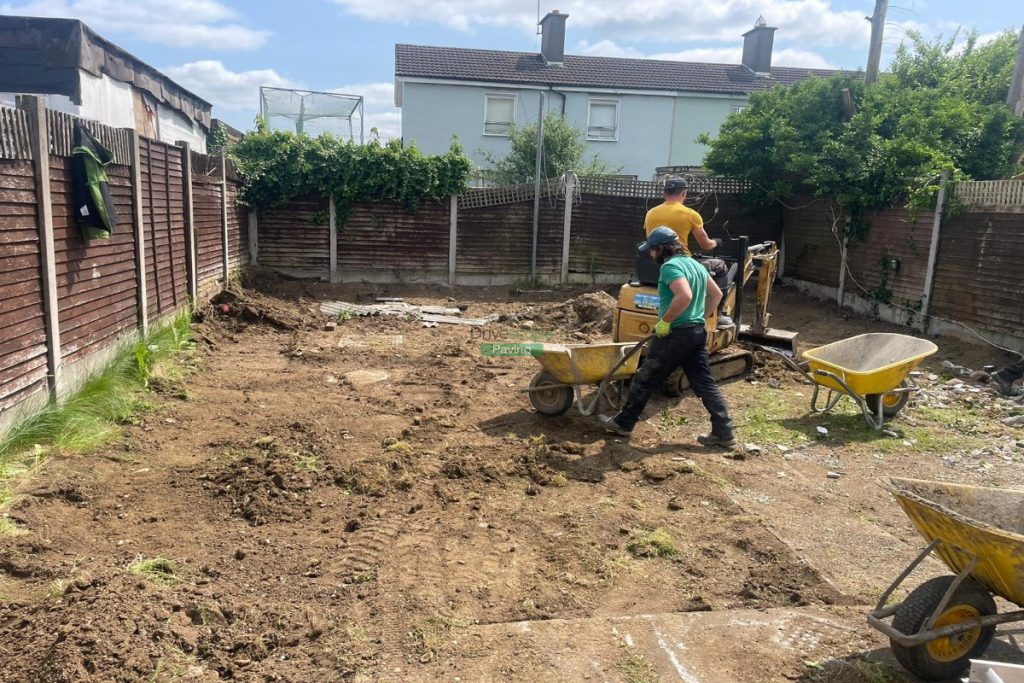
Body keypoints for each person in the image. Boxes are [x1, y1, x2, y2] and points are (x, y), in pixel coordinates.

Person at [599, 227, 736, 447]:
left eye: (652, 251)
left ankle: (624, 423)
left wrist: (666, 322)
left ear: (661, 249)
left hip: (675, 334)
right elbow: (717, 294)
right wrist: (702, 316)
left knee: (645, 377)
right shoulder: (696, 265)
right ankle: (724, 432)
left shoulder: (670, 266)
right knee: (704, 382)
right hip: (696, 333)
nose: (651, 256)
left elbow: (684, 295)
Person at [643, 176, 718, 255]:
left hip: (655, 260)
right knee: (718, 263)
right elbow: (706, 245)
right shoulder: (691, 214)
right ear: (684, 193)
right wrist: (716, 242)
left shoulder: (650, 213)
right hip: (680, 261)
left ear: (664, 194)